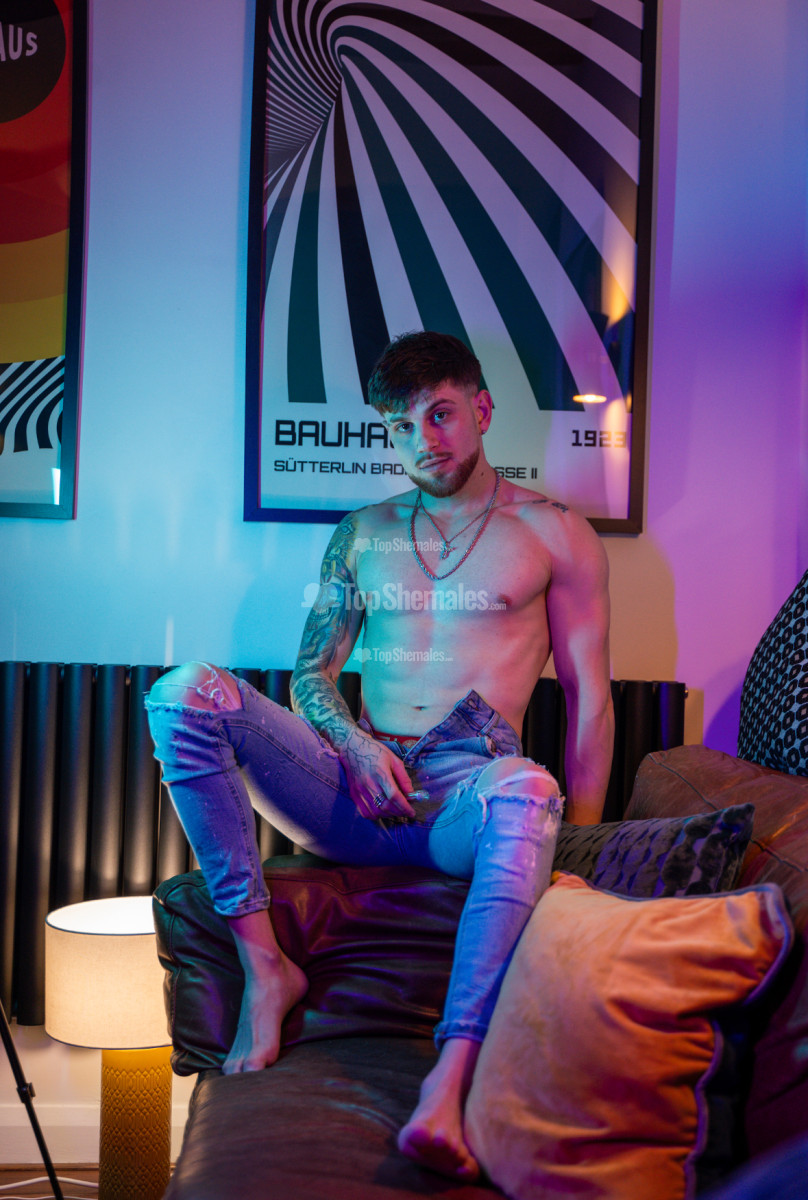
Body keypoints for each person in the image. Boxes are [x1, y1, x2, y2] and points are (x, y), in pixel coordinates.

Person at [145, 330, 613, 1183]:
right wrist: (354, 745)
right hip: (354, 791)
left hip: (467, 796)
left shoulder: (555, 532)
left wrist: (579, 850)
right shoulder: (361, 532)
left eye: (440, 414)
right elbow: (309, 674)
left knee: (527, 787)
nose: (423, 440)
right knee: (183, 693)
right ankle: (265, 969)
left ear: (482, 409)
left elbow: (589, 698)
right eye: (400, 426)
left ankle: (451, 1078)